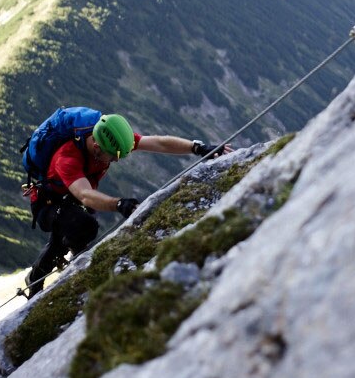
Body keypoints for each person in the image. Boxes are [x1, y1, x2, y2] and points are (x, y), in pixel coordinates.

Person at [22, 111, 231, 297]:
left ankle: (65, 261)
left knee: (75, 229)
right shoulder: (66, 158)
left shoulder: (110, 140)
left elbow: (157, 142)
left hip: (73, 193)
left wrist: (198, 147)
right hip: (47, 203)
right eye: (113, 156)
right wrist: (119, 204)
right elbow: (85, 194)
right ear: (96, 146)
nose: (116, 160)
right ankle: (38, 278)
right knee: (83, 225)